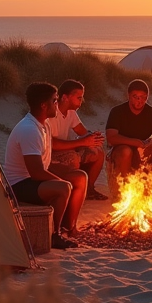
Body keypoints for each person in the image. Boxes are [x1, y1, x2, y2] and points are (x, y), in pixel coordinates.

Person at [3, 82, 81, 249]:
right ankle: (54, 235)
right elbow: (36, 172)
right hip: (19, 185)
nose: (57, 104)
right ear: (44, 105)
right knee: (64, 188)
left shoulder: (43, 124)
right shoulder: (29, 129)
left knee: (78, 178)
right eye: (55, 101)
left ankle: (69, 226)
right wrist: (61, 181)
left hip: (32, 179)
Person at [48, 78, 108, 209]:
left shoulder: (71, 113)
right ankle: (71, 189)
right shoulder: (51, 113)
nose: (82, 101)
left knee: (97, 152)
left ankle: (89, 189)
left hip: (68, 149)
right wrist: (82, 142)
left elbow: (83, 132)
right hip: (51, 155)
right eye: (79, 98)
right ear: (65, 97)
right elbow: (52, 144)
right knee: (73, 158)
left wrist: (93, 137)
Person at [105, 79, 152, 183]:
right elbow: (111, 138)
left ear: (147, 97)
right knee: (126, 151)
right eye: (135, 97)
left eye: (143, 97)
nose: (139, 100)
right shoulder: (117, 111)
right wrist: (135, 142)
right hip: (121, 151)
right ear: (129, 96)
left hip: (143, 150)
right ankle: (126, 187)